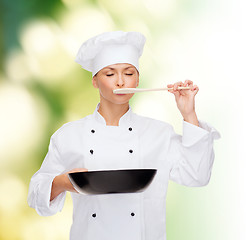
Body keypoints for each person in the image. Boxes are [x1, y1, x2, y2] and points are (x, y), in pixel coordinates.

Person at [27, 31, 220, 240]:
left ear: (138, 78)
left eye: (129, 73)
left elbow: (197, 176)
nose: (120, 82)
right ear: (95, 81)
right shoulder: (69, 135)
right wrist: (63, 183)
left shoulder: (159, 133)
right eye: (109, 74)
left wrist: (188, 112)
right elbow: (36, 195)